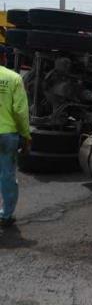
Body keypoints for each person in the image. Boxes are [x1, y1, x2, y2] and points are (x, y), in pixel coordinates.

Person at [0, 46, 31, 227]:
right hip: (7, 135)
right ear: (4, 57)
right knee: (7, 175)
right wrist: (26, 135)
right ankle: (5, 215)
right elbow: (20, 112)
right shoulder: (13, 78)